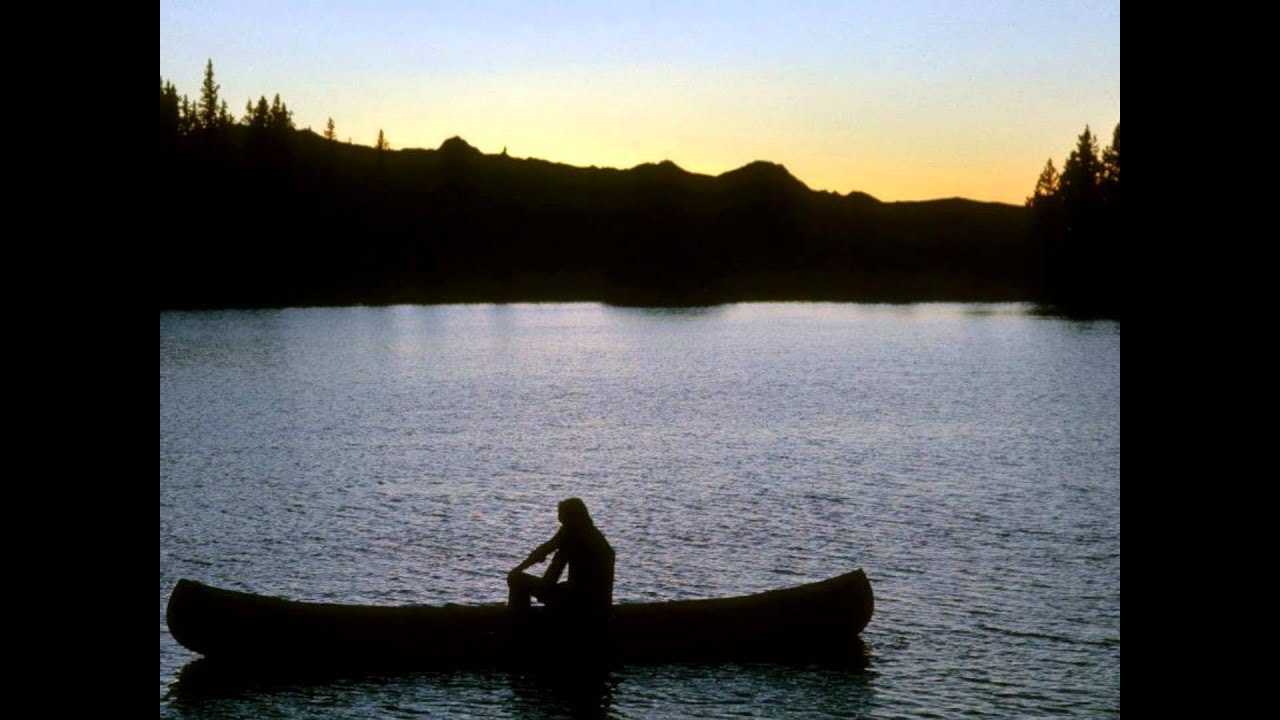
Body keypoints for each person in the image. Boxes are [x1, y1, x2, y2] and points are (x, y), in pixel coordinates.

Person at [508, 497, 615, 625]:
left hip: (578, 601)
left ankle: (518, 627)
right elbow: (546, 548)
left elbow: (550, 576)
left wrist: (518, 571)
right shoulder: (596, 537)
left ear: (570, 518)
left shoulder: (571, 537)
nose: (561, 523)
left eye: (562, 518)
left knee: (516, 579)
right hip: (600, 603)